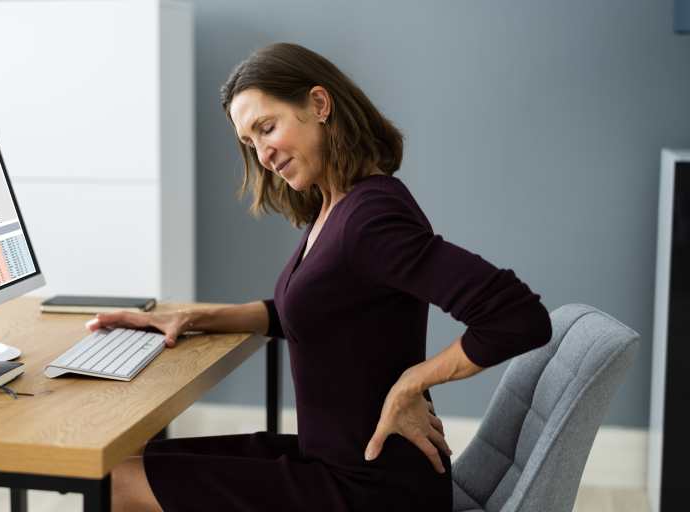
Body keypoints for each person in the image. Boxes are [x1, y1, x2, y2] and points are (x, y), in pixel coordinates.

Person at [91, 42, 552, 512]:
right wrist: (190, 318)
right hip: (331, 460)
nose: (263, 154)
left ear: (318, 104)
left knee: (117, 484)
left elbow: (517, 316)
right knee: (127, 462)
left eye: (267, 128)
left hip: (370, 486)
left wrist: (410, 384)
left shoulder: (369, 220)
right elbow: (311, 311)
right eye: (250, 142)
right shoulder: (336, 205)